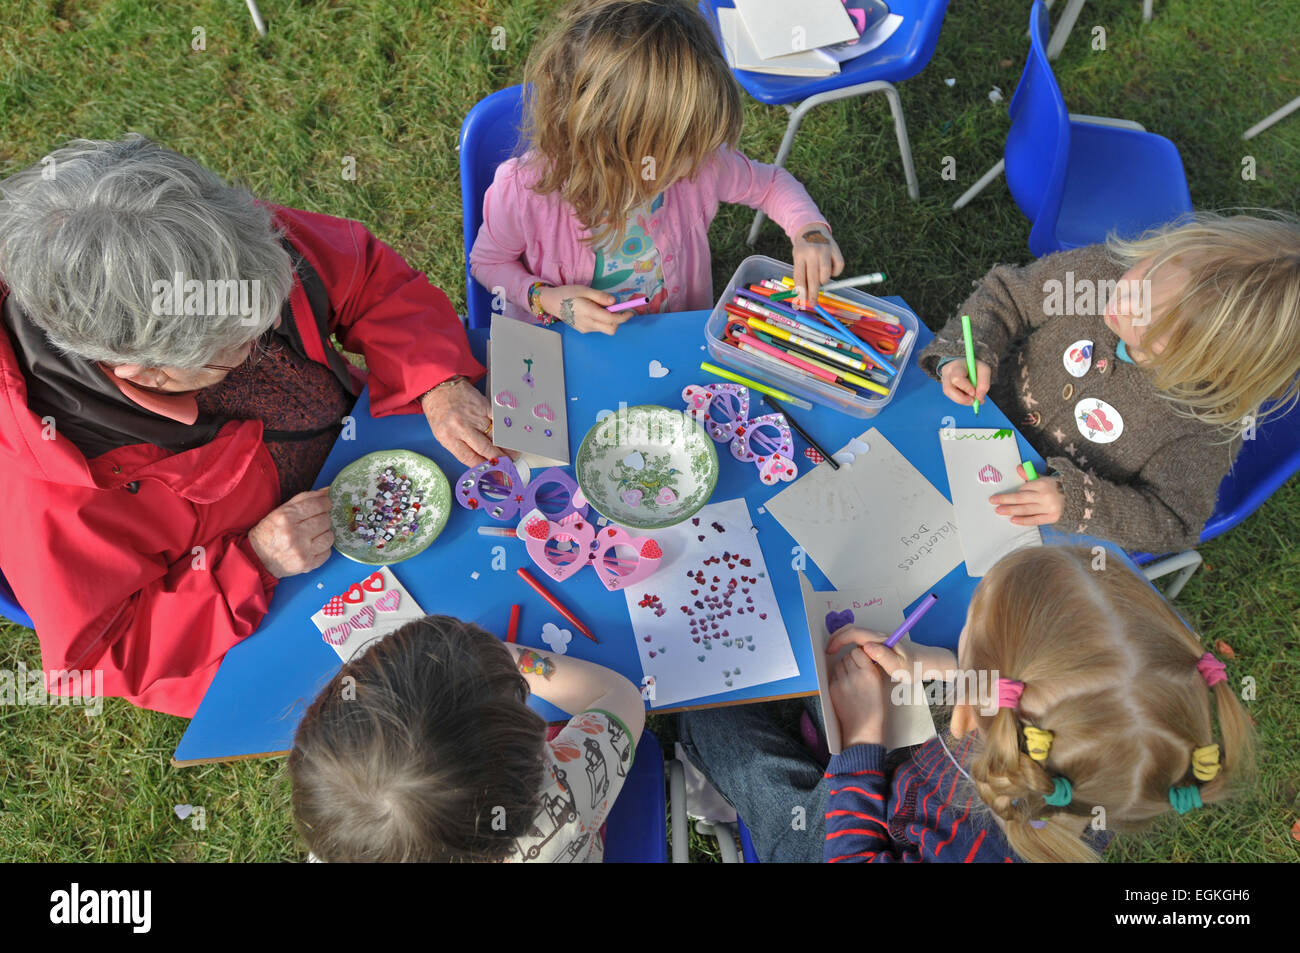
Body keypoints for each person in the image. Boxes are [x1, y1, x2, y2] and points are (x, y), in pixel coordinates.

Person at [0, 135, 503, 716]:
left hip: (370, 452)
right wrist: (254, 564)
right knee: (446, 685)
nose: (263, 337)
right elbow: (104, 654)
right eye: (232, 349)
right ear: (142, 372)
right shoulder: (55, 485)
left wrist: (434, 379)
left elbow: (367, 279)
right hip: (263, 601)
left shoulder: (211, 246)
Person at [679, 545, 1254, 862]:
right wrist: (936, 669)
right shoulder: (1096, 779)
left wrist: (860, 744)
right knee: (831, 694)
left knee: (716, 713)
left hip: (850, 842)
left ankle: (737, 767)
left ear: (968, 718)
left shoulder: (967, 846)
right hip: (911, 790)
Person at [921, 213, 1300, 552]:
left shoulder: (1205, 422)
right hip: (965, 417)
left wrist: (1076, 503)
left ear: (1206, 360)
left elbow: (1173, 521)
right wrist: (965, 354)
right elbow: (1009, 294)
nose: (1126, 297)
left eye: (1151, 316)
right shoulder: (1099, 275)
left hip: (1025, 517)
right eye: (1147, 274)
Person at [469, 0, 844, 334]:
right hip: (566, 343)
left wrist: (809, 232)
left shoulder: (698, 165)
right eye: (681, 149)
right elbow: (487, 264)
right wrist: (548, 300)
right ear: (611, 143)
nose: (699, 159)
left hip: (670, 331)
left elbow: (770, 185)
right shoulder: (527, 189)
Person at [289, 615, 645, 862]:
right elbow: (618, 695)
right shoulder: (561, 798)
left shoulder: (343, 835)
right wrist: (505, 658)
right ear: (524, 767)